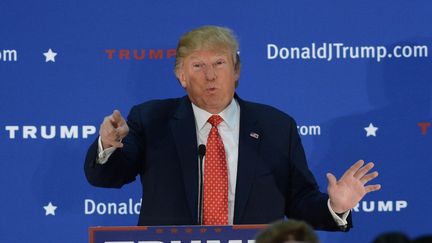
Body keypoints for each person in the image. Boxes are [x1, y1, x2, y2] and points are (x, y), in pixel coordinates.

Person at [84, 25, 381, 230]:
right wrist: (108, 145)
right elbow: (108, 177)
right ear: (180, 76)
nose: (210, 75)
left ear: (236, 70)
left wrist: (336, 206)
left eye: (219, 63)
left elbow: (300, 201)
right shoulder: (152, 119)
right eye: (197, 66)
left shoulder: (277, 126)